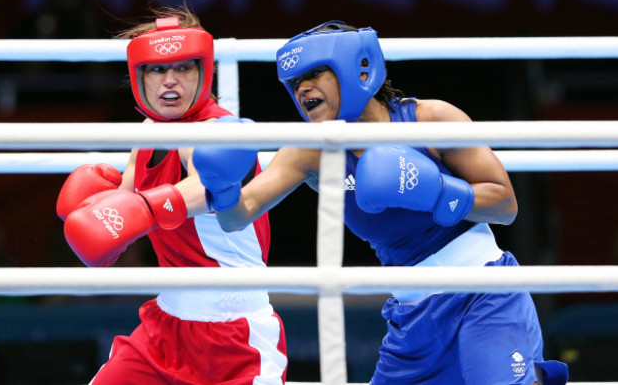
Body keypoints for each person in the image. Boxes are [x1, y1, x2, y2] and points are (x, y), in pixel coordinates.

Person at [191, 21, 569, 384]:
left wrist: (436, 189)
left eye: (315, 74)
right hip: (413, 317)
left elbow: (506, 205)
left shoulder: (430, 119)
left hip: (483, 292)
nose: (303, 89)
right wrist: (222, 187)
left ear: (358, 69)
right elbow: (238, 216)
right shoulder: (308, 151)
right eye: (294, 83)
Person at [56, 5, 287, 385]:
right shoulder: (148, 133)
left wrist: (146, 207)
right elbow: (123, 216)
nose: (170, 81)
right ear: (139, 78)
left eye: (183, 68)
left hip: (233, 332)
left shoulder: (216, 131)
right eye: (158, 69)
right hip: (165, 326)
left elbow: (206, 187)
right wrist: (91, 209)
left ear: (204, 72)